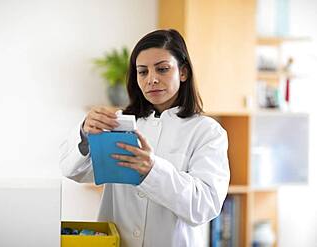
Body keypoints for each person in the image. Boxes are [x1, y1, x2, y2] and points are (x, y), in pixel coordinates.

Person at [59, 29, 230, 247]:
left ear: (183, 72)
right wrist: (84, 133)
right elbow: (73, 171)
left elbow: (204, 206)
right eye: (143, 72)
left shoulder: (207, 132)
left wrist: (152, 170)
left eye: (162, 69)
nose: (152, 79)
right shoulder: (119, 123)